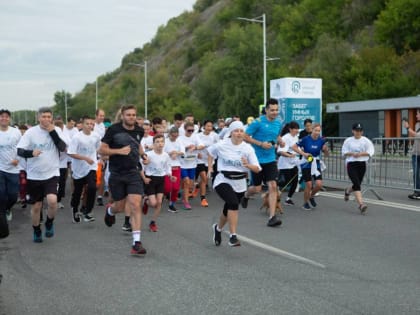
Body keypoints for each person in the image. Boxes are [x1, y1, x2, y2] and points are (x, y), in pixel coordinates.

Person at [99, 105, 149, 256]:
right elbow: (102, 149)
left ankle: (137, 242)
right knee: (120, 207)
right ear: (122, 116)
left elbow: (138, 145)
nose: (131, 117)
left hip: (133, 172)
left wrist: (143, 155)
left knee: (135, 204)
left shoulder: (139, 130)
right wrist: (118, 151)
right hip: (117, 173)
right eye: (128, 115)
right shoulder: (113, 130)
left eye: (134, 115)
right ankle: (110, 211)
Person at [17, 107, 68, 242]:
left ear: (51, 118)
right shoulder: (31, 132)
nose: (46, 119)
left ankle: (49, 222)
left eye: (48, 117)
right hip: (34, 175)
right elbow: (20, 151)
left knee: (52, 201)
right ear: (38, 118)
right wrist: (31, 153)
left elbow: (63, 148)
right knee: (36, 207)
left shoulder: (56, 130)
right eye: (43, 117)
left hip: (52, 173)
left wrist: (52, 132)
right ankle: (37, 230)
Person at [208, 121, 261, 247]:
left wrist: (248, 165)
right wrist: (210, 167)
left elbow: (257, 168)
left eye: (241, 131)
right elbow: (210, 152)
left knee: (229, 208)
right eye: (236, 131)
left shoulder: (247, 148)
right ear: (231, 132)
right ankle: (233, 236)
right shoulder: (222, 145)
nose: (239, 133)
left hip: (240, 182)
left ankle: (218, 228)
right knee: (232, 203)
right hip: (223, 179)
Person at [242, 98, 283, 227]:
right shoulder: (257, 122)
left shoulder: (278, 122)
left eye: (276, 110)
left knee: (272, 186)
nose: (275, 112)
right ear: (266, 110)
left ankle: (272, 217)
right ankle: (246, 195)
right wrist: (260, 144)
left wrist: (280, 140)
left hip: (270, 159)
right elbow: (245, 136)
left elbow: (275, 135)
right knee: (257, 188)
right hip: (257, 159)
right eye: (272, 110)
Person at [68, 116, 101, 222]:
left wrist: (102, 158)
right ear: (82, 124)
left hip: (91, 167)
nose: (90, 126)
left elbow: (98, 149)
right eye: (87, 124)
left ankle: (88, 211)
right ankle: (74, 210)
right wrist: (85, 158)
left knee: (92, 187)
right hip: (78, 168)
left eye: (92, 124)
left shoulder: (96, 136)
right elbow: (71, 153)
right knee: (78, 191)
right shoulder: (77, 137)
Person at [141, 134, 176, 232]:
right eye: (157, 142)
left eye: (162, 141)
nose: (160, 144)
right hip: (150, 179)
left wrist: (170, 175)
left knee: (159, 202)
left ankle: (153, 222)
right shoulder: (149, 155)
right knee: (153, 203)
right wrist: (144, 178)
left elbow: (167, 167)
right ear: (153, 144)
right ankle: (146, 202)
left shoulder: (166, 155)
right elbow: (140, 167)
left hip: (161, 179)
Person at [292, 123, 329, 210]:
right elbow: (294, 147)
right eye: (315, 130)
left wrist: (326, 150)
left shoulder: (321, 140)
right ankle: (305, 203)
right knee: (308, 184)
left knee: (319, 184)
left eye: (319, 131)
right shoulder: (306, 139)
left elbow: (326, 154)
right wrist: (303, 153)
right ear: (312, 130)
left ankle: (311, 196)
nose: (317, 132)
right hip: (306, 163)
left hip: (316, 163)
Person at [342, 123, 375, 214]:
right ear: (353, 131)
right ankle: (361, 204)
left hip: (362, 163)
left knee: (358, 183)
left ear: (362, 131)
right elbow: (344, 152)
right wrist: (352, 154)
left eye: (360, 131)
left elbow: (370, 151)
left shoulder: (366, 141)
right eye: (356, 130)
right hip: (351, 163)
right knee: (357, 184)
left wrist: (361, 154)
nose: (358, 132)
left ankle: (348, 190)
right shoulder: (348, 141)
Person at [0, 109, 22, 238]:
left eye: (6, 117)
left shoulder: (15, 132)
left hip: (13, 168)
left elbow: (22, 147)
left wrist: (17, 160)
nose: (4, 118)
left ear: (9, 119)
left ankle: (8, 208)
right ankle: (2, 216)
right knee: (1, 195)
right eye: (1, 117)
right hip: (0, 169)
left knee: (13, 196)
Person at [178, 121, 204, 210]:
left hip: (192, 163)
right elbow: (179, 149)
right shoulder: (180, 138)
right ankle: (186, 202)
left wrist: (195, 148)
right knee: (186, 181)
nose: (191, 132)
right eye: (189, 130)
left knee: (190, 185)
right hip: (182, 164)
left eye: (192, 130)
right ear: (185, 129)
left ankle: (184, 195)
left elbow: (202, 145)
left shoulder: (195, 136)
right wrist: (187, 147)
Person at [196, 120, 219, 207]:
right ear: (204, 126)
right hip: (200, 160)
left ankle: (200, 191)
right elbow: (195, 144)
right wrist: (197, 152)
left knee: (205, 180)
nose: (209, 128)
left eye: (211, 126)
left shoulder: (215, 136)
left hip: (210, 160)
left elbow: (218, 146)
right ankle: (203, 198)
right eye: (208, 126)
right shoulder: (198, 136)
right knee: (204, 178)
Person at [277, 121, 300, 206]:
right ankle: (273, 186)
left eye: (298, 129)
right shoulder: (285, 138)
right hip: (285, 163)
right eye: (295, 129)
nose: (297, 130)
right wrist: (289, 155)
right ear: (290, 129)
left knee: (295, 181)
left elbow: (297, 148)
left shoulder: (296, 137)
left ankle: (288, 199)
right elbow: (280, 151)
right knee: (286, 181)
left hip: (293, 163)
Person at [163, 127, 184, 212]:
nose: (175, 137)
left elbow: (183, 151)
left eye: (176, 135)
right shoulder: (165, 141)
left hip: (177, 166)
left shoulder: (179, 141)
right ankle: (161, 195)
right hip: (167, 167)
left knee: (175, 188)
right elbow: (161, 152)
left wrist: (176, 152)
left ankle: (171, 204)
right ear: (170, 134)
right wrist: (170, 153)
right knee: (167, 188)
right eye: (173, 135)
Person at [403, 109, 420, 200]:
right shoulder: (417, 124)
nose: (416, 116)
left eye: (417, 114)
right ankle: (417, 192)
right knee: (416, 173)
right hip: (416, 153)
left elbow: (417, 135)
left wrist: (407, 128)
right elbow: (414, 136)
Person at [94, 109, 106, 206]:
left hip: (101, 155)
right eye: (100, 115)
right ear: (96, 116)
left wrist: (103, 156)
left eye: (103, 116)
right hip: (92, 155)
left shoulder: (102, 126)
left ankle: (100, 197)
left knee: (101, 176)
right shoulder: (92, 125)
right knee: (93, 178)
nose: (102, 117)